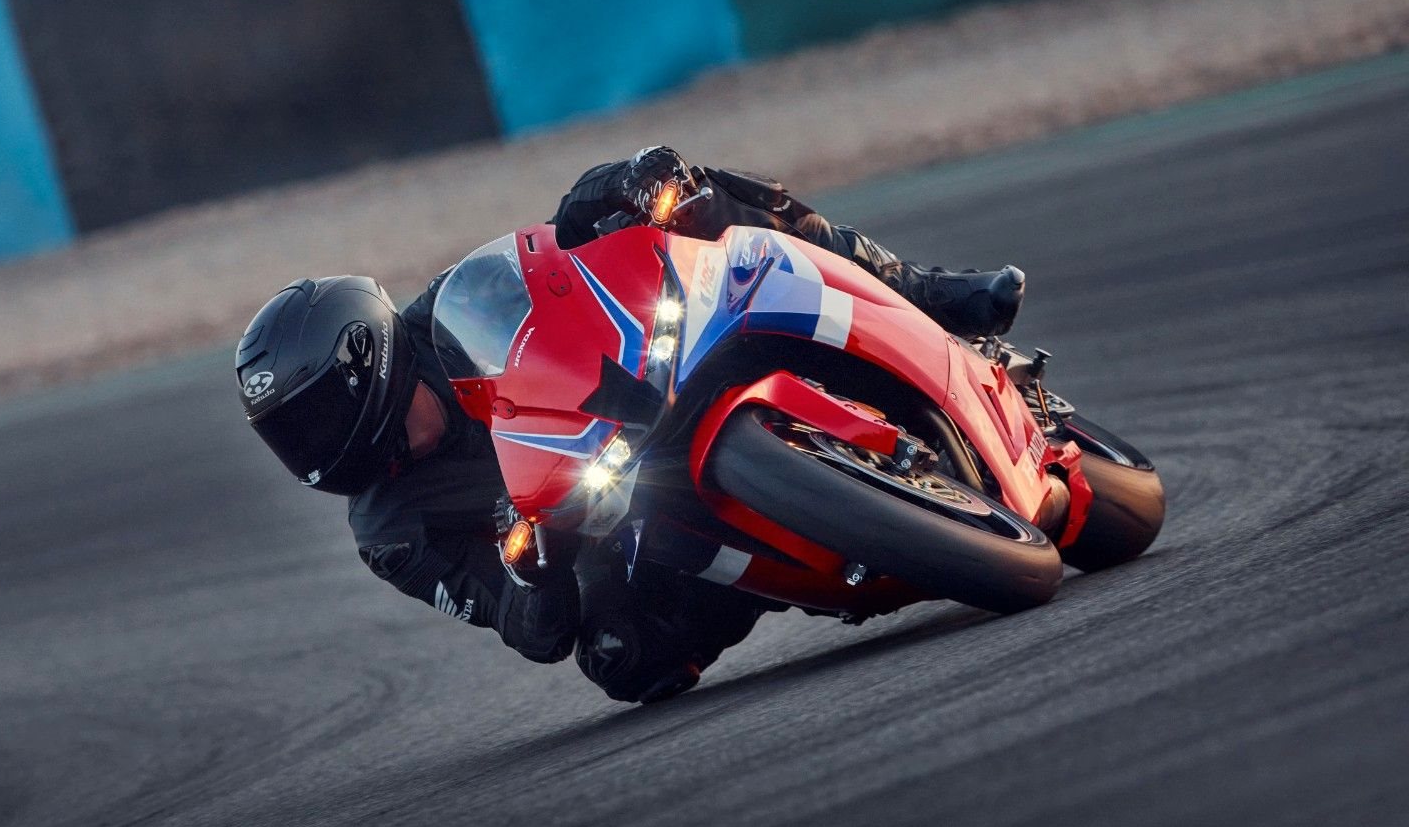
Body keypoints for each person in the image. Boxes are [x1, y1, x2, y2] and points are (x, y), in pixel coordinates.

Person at [235, 147, 1024, 703]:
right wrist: (532, 568)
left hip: (643, 379)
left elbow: (561, 248)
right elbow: (527, 631)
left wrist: (616, 185)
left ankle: (923, 292)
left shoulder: (452, 309)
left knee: (696, 197)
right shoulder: (392, 533)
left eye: (315, 418)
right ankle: (803, 547)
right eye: (291, 436)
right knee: (624, 661)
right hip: (606, 521)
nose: (315, 448)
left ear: (366, 360)